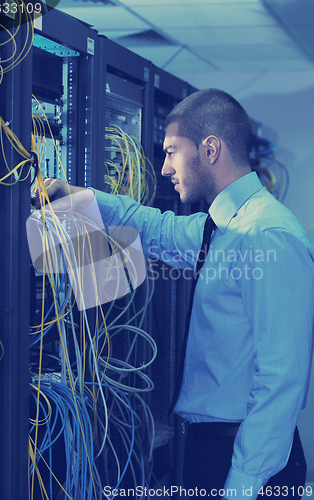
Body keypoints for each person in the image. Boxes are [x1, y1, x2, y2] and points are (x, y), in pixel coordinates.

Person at [33, 89, 314, 499]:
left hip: (244, 462)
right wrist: (74, 197)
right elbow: (150, 227)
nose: (164, 168)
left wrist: (239, 488)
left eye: (171, 152)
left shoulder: (266, 234)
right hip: (211, 450)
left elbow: (282, 379)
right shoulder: (221, 228)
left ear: (210, 149)